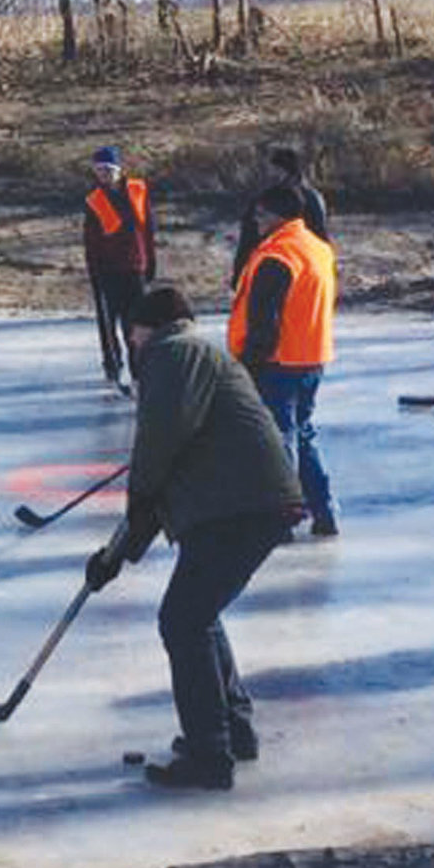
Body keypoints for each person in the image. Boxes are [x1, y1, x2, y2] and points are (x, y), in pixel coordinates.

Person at [82, 283, 304, 791]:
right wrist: (120, 553)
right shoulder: (190, 353)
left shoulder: (173, 354)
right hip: (243, 502)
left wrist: (131, 525)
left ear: (145, 326)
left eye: (132, 333)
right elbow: (173, 463)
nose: (131, 344)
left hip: (243, 505)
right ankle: (233, 731)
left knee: (183, 620)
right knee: (197, 615)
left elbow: (158, 449)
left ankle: (210, 753)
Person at [229, 182, 340, 536]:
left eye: (261, 214)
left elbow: (264, 323)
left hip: (279, 362)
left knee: (280, 440)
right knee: (302, 432)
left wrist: (246, 367)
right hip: (312, 356)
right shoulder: (317, 247)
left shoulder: (278, 256)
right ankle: (324, 511)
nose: (256, 221)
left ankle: (283, 517)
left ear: (277, 216)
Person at [81, 145, 156, 391]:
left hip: (136, 267)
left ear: (118, 169)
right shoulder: (94, 200)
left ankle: (140, 371)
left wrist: (151, 261)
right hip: (107, 272)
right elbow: (91, 242)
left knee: (136, 323)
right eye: (99, 171)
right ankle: (112, 368)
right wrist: (95, 274)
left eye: (108, 170)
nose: (104, 175)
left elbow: (148, 230)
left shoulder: (138, 189)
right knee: (108, 323)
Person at [231, 145, 330, 288]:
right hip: (307, 267)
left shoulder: (271, 199)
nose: (270, 174)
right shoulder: (314, 197)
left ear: (282, 170)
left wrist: (239, 273)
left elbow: (248, 239)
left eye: (273, 169)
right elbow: (322, 236)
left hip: (278, 266)